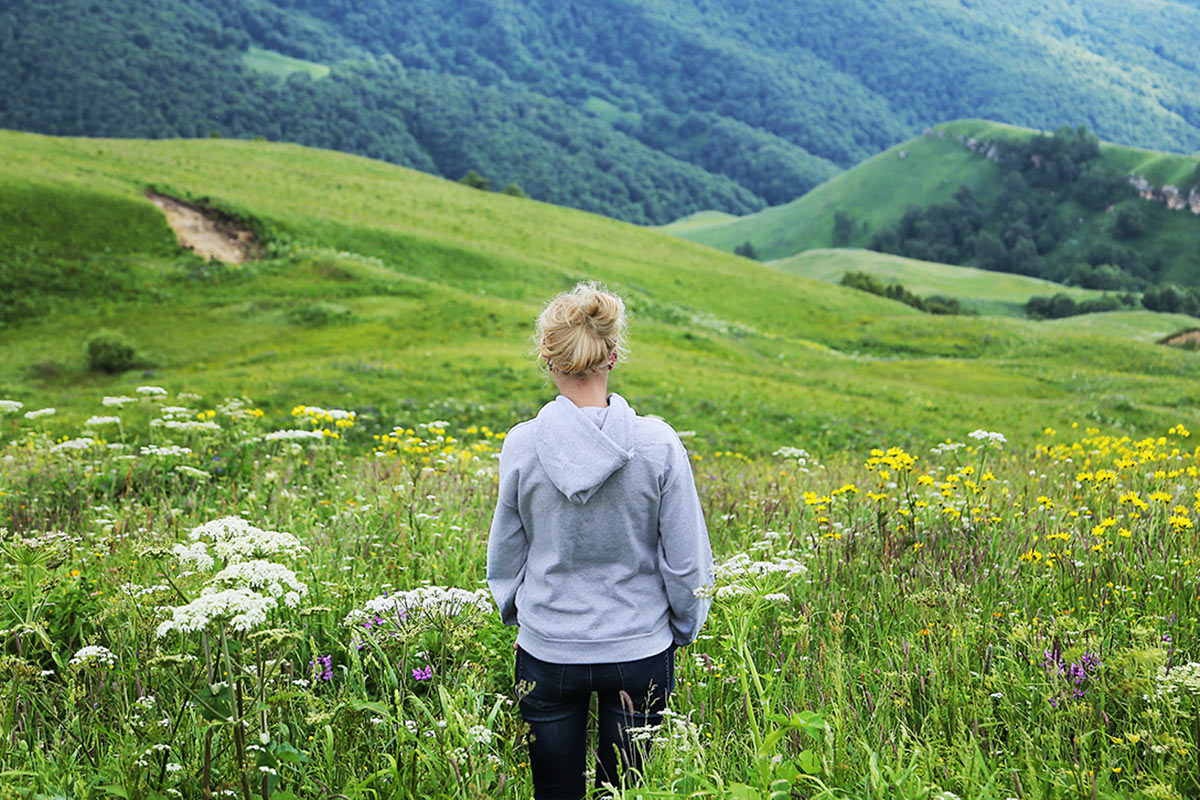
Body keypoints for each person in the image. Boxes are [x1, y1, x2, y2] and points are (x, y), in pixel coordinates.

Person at [487, 281, 714, 799]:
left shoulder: (522, 445)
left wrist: (520, 616)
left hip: (548, 648)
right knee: (624, 793)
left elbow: (506, 552)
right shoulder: (658, 443)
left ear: (550, 360)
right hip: (639, 647)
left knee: (555, 792)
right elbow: (686, 561)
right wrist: (682, 627)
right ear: (613, 355)